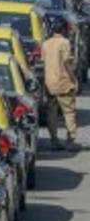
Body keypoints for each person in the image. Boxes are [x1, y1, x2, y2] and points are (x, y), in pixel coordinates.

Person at [42, 17, 79, 150]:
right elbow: (66, 62)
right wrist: (74, 79)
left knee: (51, 113)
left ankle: (54, 140)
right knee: (69, 112)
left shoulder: (46, 44)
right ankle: (70, 141)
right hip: (63, 83)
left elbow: (44, 61)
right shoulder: (65, 43)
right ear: (63, 29)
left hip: (49, 84)